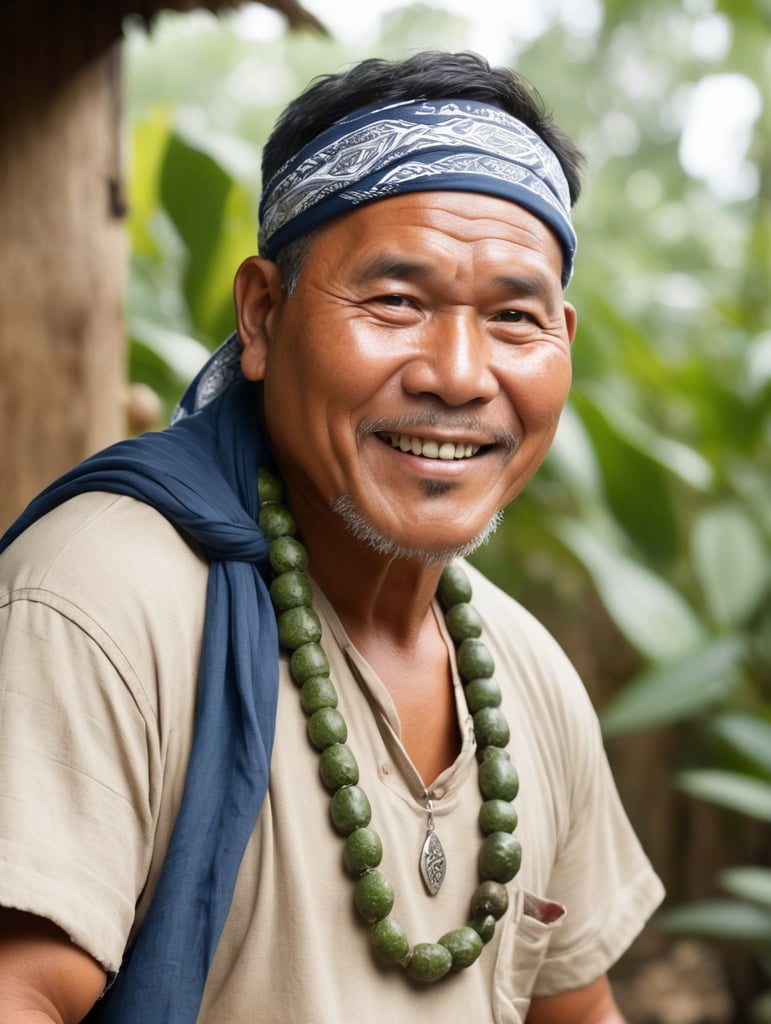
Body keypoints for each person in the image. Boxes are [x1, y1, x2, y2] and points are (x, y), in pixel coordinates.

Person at [0, 50, 664, 1023]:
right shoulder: (99, 601)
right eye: (397, 301)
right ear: (262, 316)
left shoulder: (527, 672)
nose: (459, 374)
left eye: (514, 318)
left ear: (563, 337)